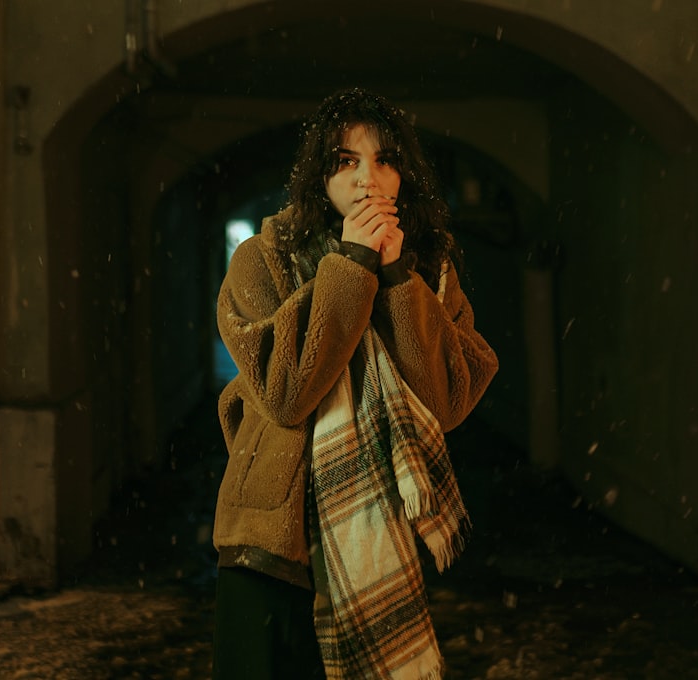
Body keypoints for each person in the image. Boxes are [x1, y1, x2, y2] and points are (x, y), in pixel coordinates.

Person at [212, 88, 499, 679]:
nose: (368, 178)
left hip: (380, 540)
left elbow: (447, 399)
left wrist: (395, 277)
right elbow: (287, 392)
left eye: (384, 158)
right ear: (320, 177)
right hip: (273, 547)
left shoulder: (428, 265)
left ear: (403, 176)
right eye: (346, 160)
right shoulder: (262, 259)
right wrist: (350, 265)